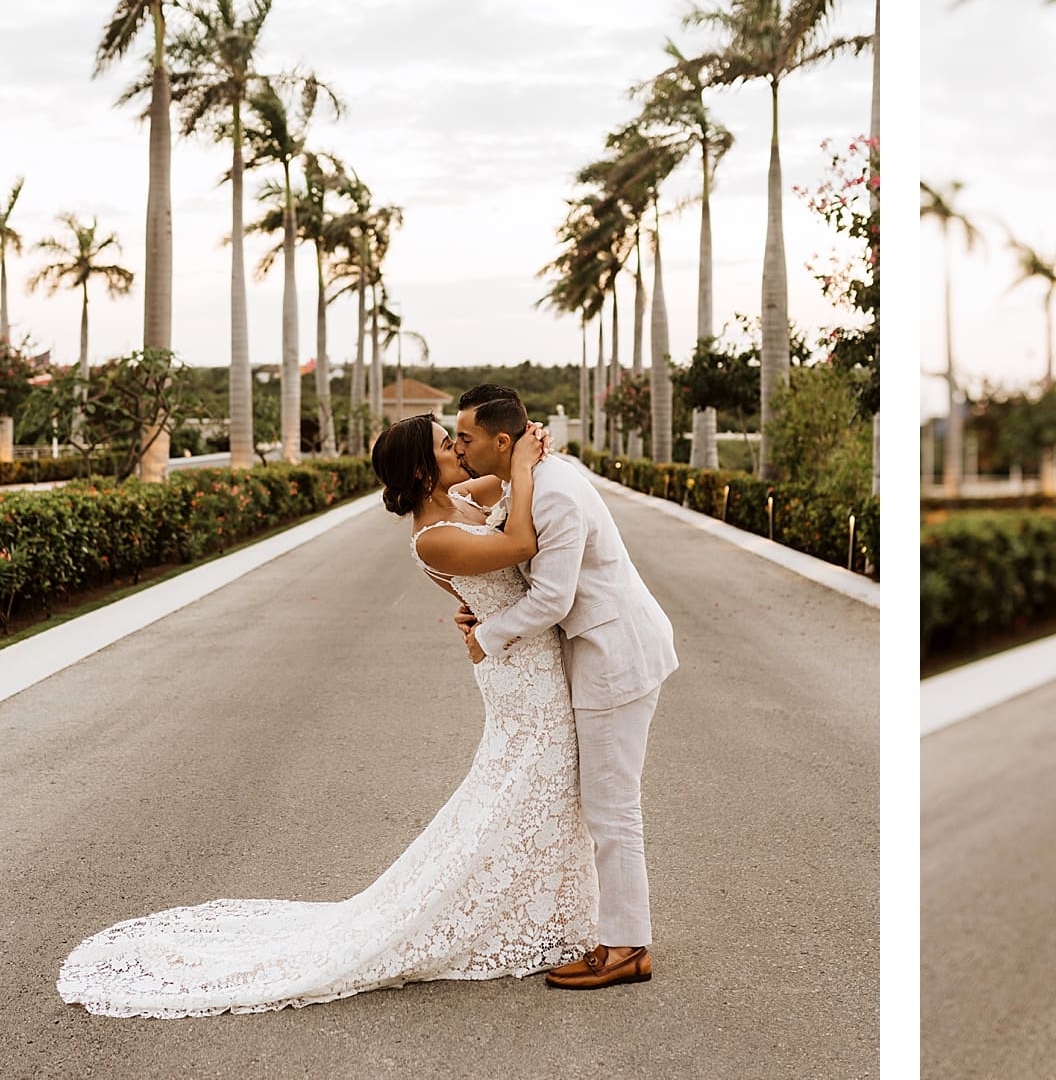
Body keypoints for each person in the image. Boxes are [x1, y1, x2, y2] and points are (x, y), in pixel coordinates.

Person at [58, 412, 603, 1017]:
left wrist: (521, 454)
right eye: (449, 444)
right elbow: (521, 544)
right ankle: (528, 911)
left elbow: (501, 483)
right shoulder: (433, 535)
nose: (460, 449)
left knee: (534, 790)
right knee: (531, 786)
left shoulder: (458, 495)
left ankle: (550, 904)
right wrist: (524, 465)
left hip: (519, 654)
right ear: (423, 470)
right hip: (518, 674)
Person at [450, 383, 677, 991]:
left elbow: (554, 596)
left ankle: (627, 947)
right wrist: (519, 464)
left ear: (503, 439)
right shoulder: (535, 476)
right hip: (600, 649)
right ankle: (622, 935)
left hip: (615, 655)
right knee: (606, 802)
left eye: (465, 437)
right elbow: (454, 494)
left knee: (612, 805)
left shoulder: (553, 495)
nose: (457, 447)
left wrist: (488, 634)